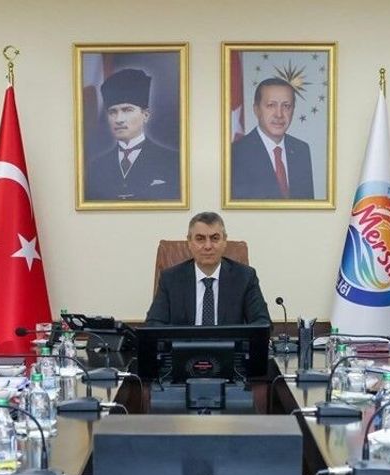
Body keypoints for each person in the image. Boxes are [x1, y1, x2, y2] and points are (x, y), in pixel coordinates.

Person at [145, 211, 271, 326]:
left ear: (224, 241)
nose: (208, 246)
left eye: (215, 238)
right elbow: (153, 324)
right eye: (200, 239)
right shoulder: (170, 278)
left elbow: (263, 323)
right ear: (189, 242)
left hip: (229, 344)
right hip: (184, 344)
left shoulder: (245, 277)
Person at [84, 68, 180, 202]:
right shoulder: (95, 167)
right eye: (112, 112)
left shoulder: (172, 161)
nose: (119, 119)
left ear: (145, 115)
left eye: (127, 110)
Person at [230, 78, 315, 200]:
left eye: (286, 106)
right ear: (256, 109)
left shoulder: (301, 150)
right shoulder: (236, 153)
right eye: (271, 105)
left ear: (293, 110)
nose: (279, 114)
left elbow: (308, 206)